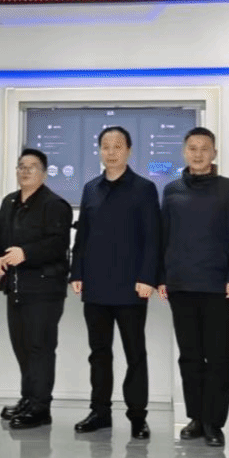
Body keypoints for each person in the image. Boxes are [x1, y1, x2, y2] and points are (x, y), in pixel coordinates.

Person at [160, 127, 229, 448]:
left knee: (219, 357)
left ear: (214, 153)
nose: (198, 154)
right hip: (181, 285)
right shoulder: (171, 190)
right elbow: (164, 237)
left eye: (204, 148)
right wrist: (162, 277)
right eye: (192, 148)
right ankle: (196, 417)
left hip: (218, 286)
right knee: (190, 357)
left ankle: (214, 422)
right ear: (184, 152)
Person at [69, 125, 161, 439]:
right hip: (95, 285)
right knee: (99, 353)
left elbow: (152, 238)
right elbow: (83, 235)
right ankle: (100, 412)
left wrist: (147, 277)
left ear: (129, 151)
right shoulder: (90, 188)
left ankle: (137, 416)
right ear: (99, 151)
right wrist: (77, 272)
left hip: (132, 286)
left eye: (117, 146)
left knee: (135, 353)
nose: (111, 152)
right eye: (106, 146)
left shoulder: (144, 188)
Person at [0, 148, 73, 430]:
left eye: (32, 166)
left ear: (44, 173)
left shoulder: (55, 204)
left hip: (44, 290)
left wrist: (26, 253)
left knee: (40, 348)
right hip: (16, 288)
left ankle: (40, 407)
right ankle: (28, 398)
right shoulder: (10, 202)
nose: (25, 171)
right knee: (22, 347)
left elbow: (58, 244)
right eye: (21, 166)